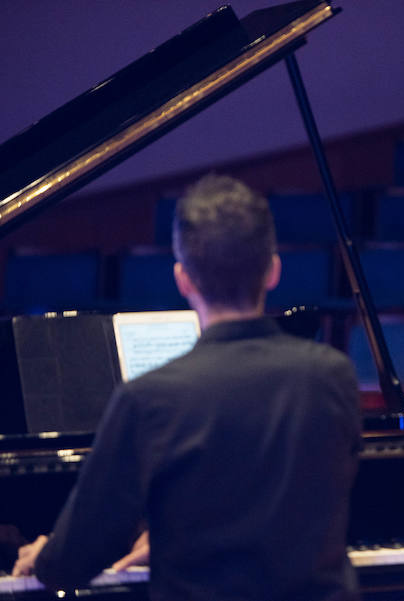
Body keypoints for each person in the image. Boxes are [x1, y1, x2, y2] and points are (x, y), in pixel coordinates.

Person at [13, 174, 362, 601]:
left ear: (183, 280)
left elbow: (69, 564)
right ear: (273, 270)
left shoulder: (149, 397)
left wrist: (49, 553)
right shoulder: (333, 375)